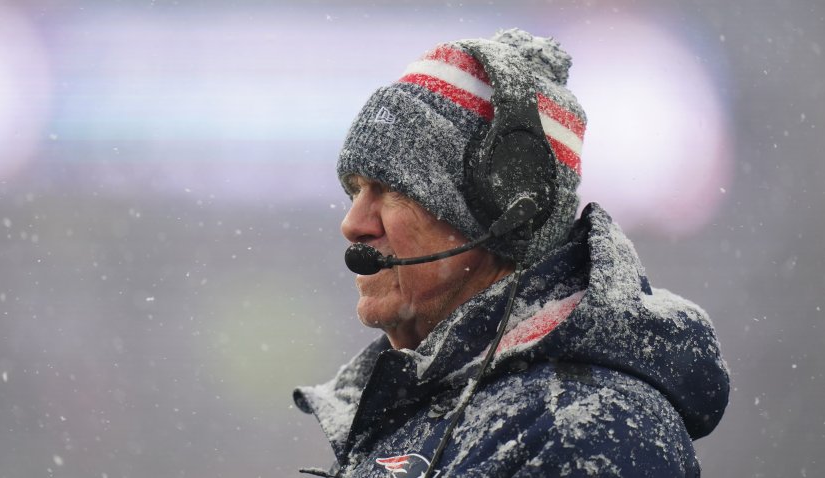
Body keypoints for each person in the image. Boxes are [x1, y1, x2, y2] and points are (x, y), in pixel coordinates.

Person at [293, 28, 729, 477]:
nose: (353, 224)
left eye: (390, 191)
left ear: (508, 209)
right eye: (355, 192)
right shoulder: (426, 412)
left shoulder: (583, 430)